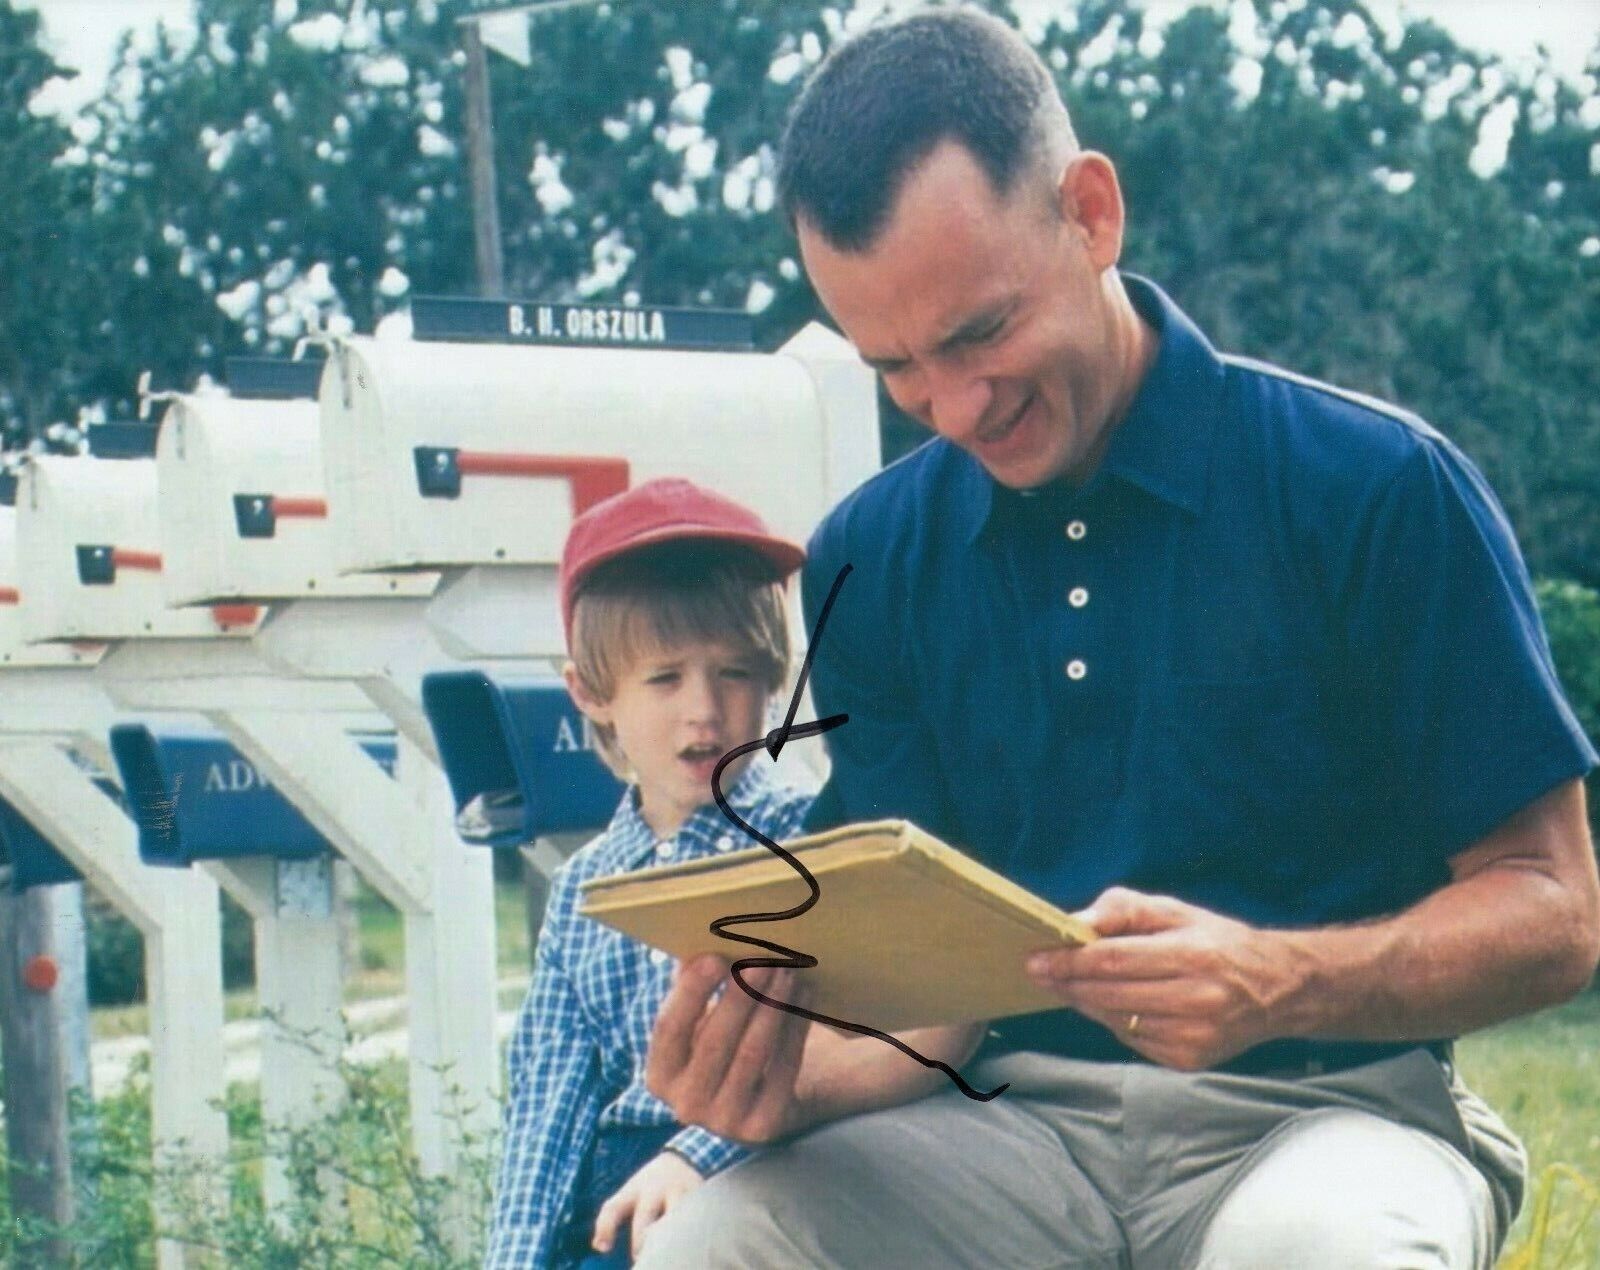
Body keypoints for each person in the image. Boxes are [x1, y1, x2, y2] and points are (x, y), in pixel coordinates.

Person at [633, 9, 1600, 1268]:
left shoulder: (1375, 485)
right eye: (897, 368)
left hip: (1327, 1115)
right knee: (714, 1244)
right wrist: (781, 1082)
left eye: (979, 332)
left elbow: (1556, 911)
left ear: (1090, 213)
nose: (957, 406)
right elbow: (938, 1010)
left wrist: (1280, 979)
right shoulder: (869, 554)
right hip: (1003, 1128)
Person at [484, 478, 815, 1268]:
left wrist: (697, 1155)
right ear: (591, 694)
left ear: (774, 678)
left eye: (735, 673)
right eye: (665, 679)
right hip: (613, 1180)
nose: (704, 709)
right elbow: (549, 1104)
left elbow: (811, 1052)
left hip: (762, 1162)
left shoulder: (805, 841)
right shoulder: (587, 888)